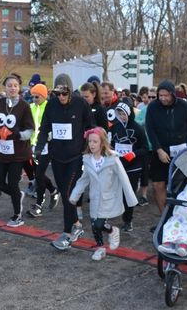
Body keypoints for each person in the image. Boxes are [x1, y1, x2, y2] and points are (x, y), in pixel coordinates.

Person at [34, 83, 94, 250]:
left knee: (68, 194)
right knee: (64, 193)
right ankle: (77, 224)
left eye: (64, 94)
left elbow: (91, 127)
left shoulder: (80, 104)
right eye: (57, 94)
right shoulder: (52, 104)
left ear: (70, 92)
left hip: (76, 157)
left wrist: (91, 147)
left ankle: (67, 234)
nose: (61, 97)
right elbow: (45, 127)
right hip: (57, 156)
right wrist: (39, 147)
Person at [70, 127, 137, 261]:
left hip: (108, 198)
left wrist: (131, 199)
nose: (92, 144)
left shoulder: (113, 159)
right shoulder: (87, 160)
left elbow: (124, 179)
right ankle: (100, 248)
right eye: (90, 142)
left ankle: (112, 230)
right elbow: (84, 180)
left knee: (100, 224)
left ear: (102, 142)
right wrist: (75, 195)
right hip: (94, 198)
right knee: (95, 226)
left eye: (95, 141)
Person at [144, 80, 187, 215]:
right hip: (160, 152)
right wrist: (158, 149)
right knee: (158, 185)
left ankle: (179, 217)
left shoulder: (184, 106)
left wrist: (186, 143)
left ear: (173, 94)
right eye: (160, 95)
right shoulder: (153, 107)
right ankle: (165, 218)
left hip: (181, 153)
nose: (163, 98)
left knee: (179, 186)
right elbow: (150, 130)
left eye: (166, 95)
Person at [0, 73, 34, 227]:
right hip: (2, 151)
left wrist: (18, 134)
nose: (12, 88)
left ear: (19, 87)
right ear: (5, 88)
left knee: (13, 183)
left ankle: (17, 215)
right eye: (9, 85)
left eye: (15, 85)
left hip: (19, 152)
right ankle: (18, 195)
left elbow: (30, 130)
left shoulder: (24, 106)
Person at [108, 97, 149, 232]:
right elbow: (111, 144)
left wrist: (134, 154)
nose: (121, 116)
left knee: (129, 194)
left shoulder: (137, 128)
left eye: (123, 113)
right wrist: (111, 151)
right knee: (114, 192)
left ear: (129, 113)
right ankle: (108, 217)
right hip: (118, 165)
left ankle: (128, 220)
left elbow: (145, 148)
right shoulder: (114, 128)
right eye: (119, 113)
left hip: (133, 167)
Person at [26, 83, 60, 218]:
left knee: (39, 175)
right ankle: (53, 190)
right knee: (37, 174)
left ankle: (39, 204)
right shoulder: (31, 107)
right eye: (32, 96)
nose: (34, 98)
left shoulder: (50, 107)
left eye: (37, 96)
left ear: (43, 96)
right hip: (32, 145)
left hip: (46, 146)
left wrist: (51, 135)